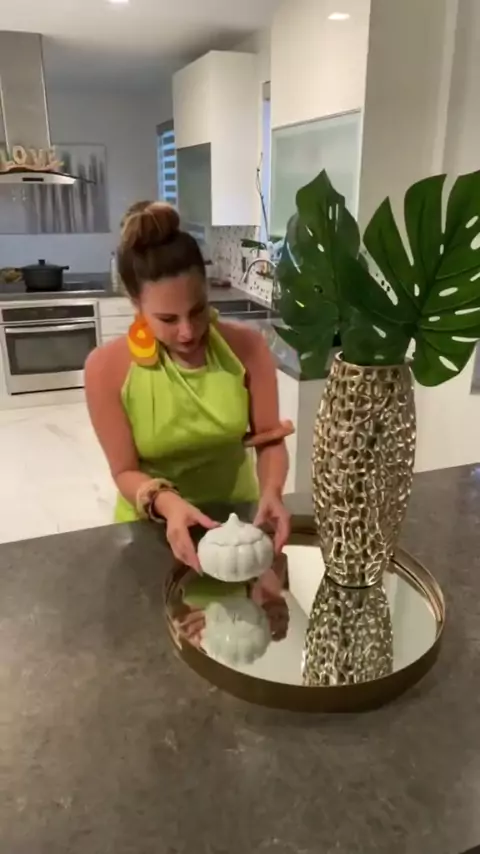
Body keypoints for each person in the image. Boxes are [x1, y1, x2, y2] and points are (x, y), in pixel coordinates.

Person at [85, 201, 291, 571]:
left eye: (197, 311)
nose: (187, 332)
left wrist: (273, 491)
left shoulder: (247, 348)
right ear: (135, 304)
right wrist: (168, 503)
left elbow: (269, 440)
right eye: (167, 319)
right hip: (151, 531)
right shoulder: (105, 369)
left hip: (236, 524)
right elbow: (124, 472)